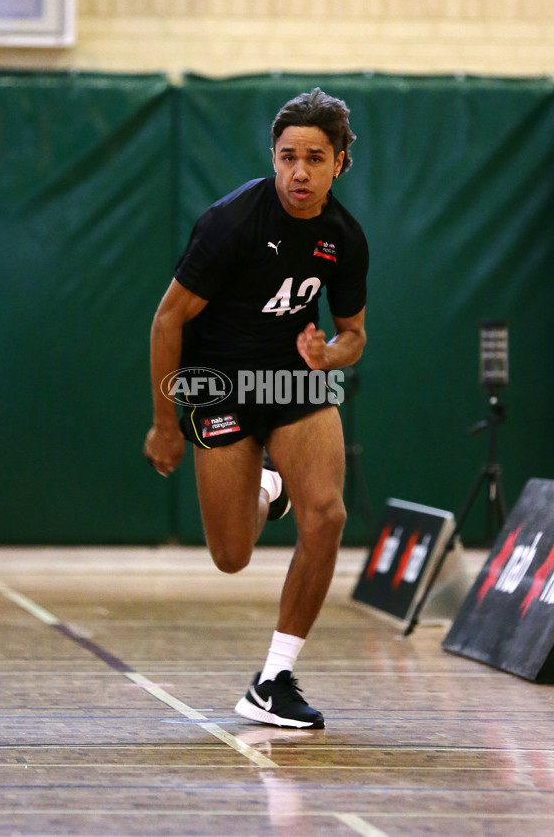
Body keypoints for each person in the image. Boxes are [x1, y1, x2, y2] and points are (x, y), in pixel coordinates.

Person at [143, 88, 368, 729]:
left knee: (327, 514)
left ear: (339, 163)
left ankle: (274, 678)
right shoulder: (232, 221)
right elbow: (166, 321)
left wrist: (331, 354)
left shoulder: (344, 239)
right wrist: (165, 424)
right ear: (272, 158)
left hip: (293, 382)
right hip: (215, 384)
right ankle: (267, 490)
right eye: (288, 156)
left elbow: (354, 333)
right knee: (232, 555)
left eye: (315, 158)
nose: (299, 171)